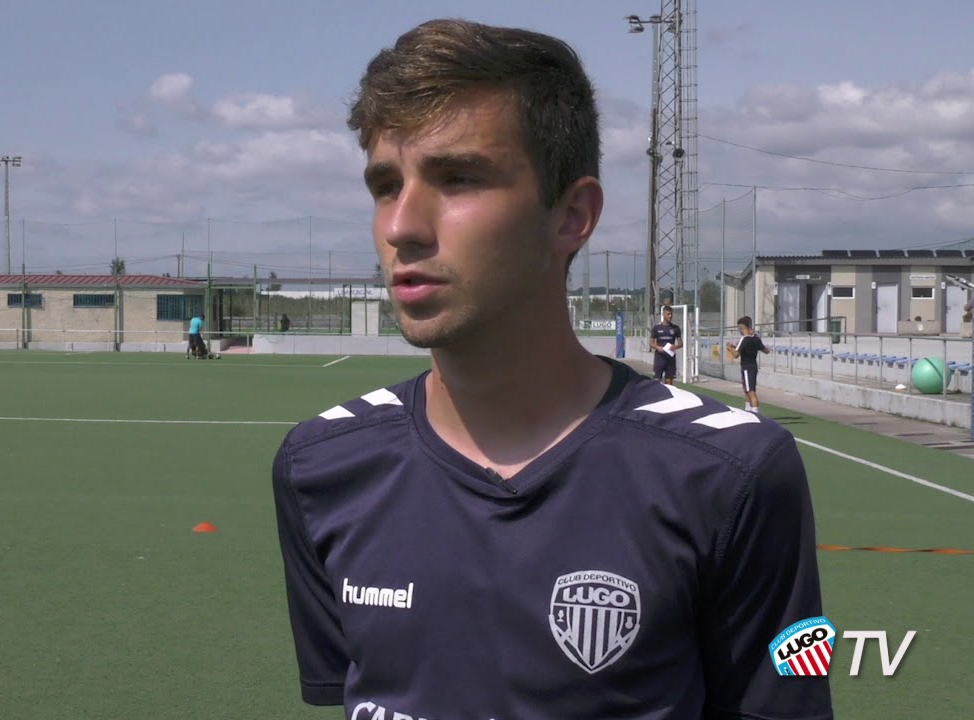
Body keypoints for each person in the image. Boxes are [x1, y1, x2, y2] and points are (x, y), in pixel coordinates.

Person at [271, 18, 831, 720]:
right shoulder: (320, 467)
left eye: (458, 177)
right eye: (385, 185)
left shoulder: (731, 473)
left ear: (573, 216)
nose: (401, 226)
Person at [728, 315, 770, 414]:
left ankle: (755, 414)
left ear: (742, 327)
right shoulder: (756, 338)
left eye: (740, 329)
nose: (740, 331)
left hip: (746, 367)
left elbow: (736, 355)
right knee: (747, 390)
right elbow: (765, 350)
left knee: (751, 392)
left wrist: (730, 348)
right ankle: (747, 411)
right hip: (753, 366)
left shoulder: (745, 339)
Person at [649, 305, 683, 385]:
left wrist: (675, 347)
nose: (670, 316)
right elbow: (651, 343)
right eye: (668, 314)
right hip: (659, 358)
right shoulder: (656, 328)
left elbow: (681, 343)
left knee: (669, 382)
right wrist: (658, 347)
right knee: (657, 381)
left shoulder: (675, 328)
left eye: (671, 314)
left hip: (670, 358)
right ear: (663, 315)